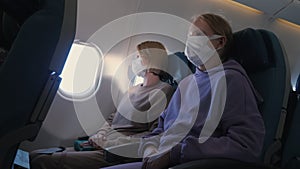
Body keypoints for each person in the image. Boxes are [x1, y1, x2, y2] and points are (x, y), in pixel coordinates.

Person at [101, 13, 265, 169]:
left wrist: (175, 153)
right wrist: (149, 148)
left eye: (198, 35)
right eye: (189, 36)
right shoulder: (187, 83)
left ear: (220, 42)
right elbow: (161, 127)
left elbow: (246, 144)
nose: (190, 41)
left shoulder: (231, 81)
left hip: (191, 164)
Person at [29, 41, 175, 169]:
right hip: (102, 144)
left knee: (42, 161)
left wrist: (112, 142)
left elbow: (153, 133)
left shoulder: (163, 91)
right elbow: (113, 118)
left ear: (150, 60)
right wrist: (100, 134)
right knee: (35, 155)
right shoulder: (133, 89)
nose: (134, 62)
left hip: (117, 152)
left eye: (138, 57)